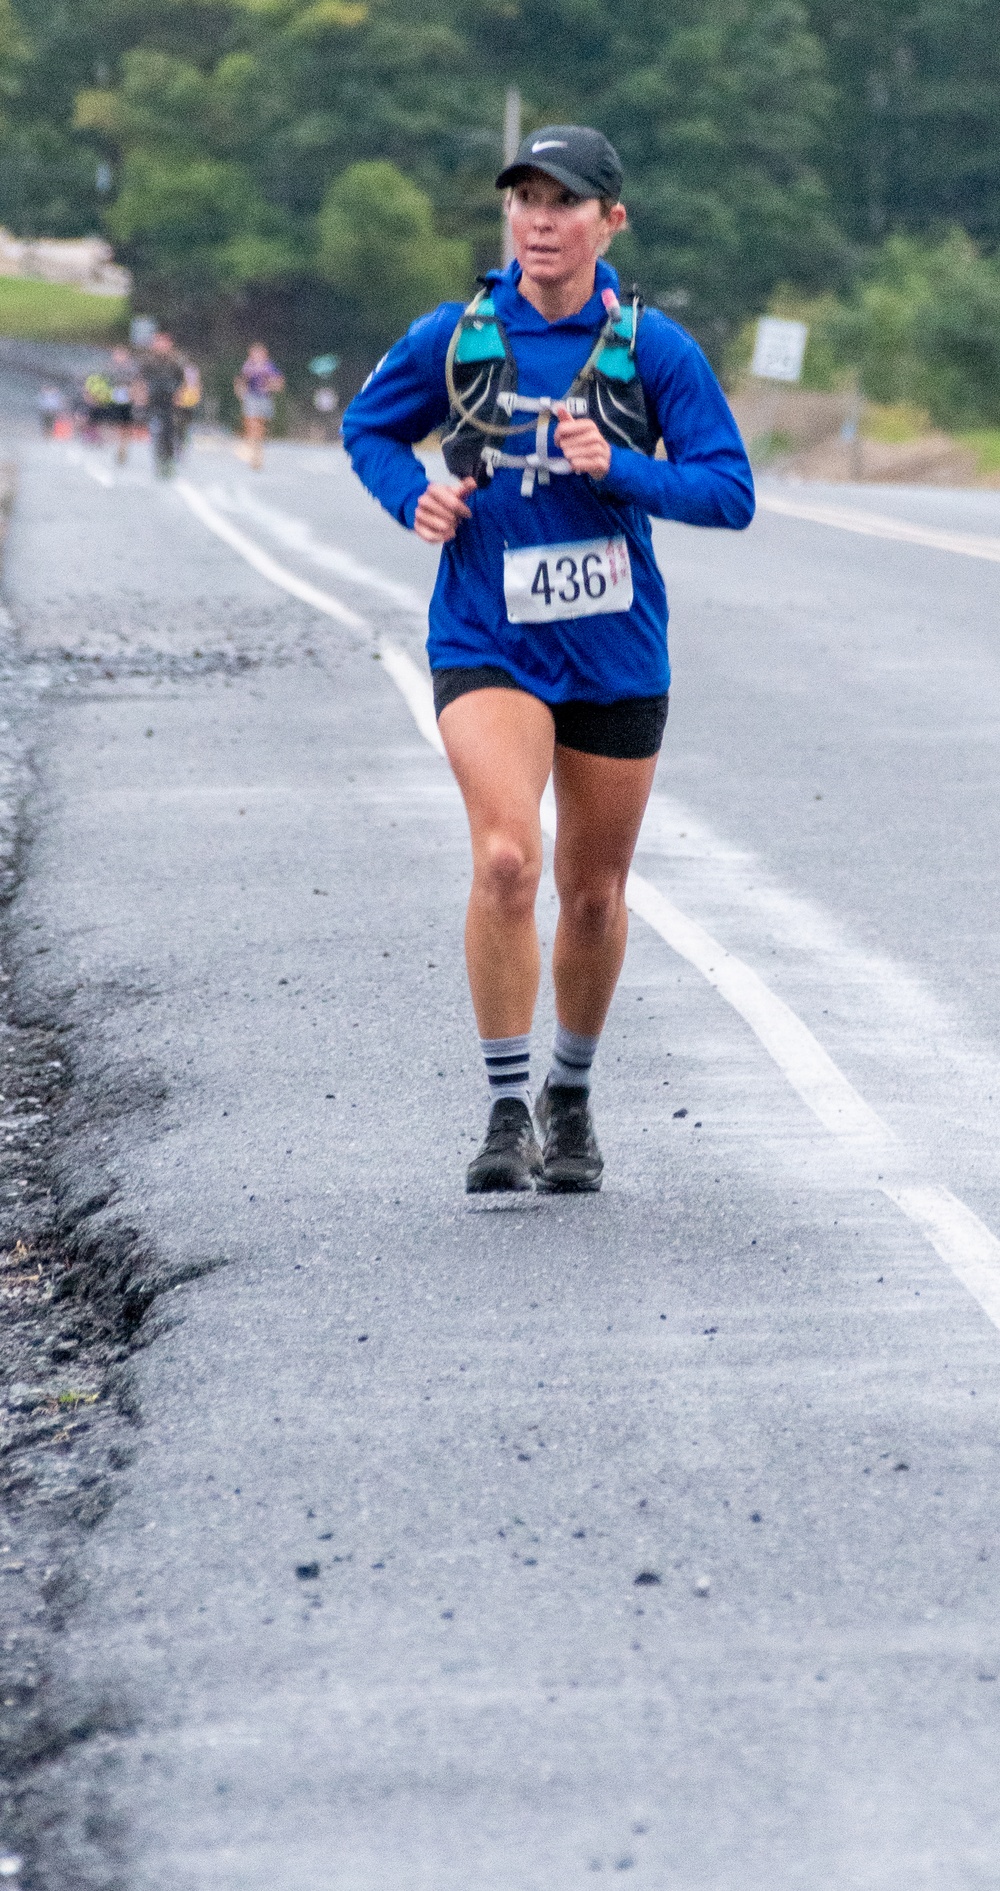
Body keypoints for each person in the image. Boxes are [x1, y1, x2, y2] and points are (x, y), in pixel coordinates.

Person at [342, 125, 754, 1194]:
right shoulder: (454, 334)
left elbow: (728, 490)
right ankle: (502, 1106)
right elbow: (368, 430)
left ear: (608, 221)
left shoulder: (654, 349)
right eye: (522, 198)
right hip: (487, 638)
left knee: (594, 892)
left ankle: (569, 1096)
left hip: (616, 650)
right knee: (506, 860)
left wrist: (620, 468)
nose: (537, 219)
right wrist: (411, 495)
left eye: (562, 201)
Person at [135, 332, 186, 477]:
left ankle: (169, 461)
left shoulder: (176, 361)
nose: (161, 346)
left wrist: (179, 397)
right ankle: (158, 460)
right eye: (158, 342)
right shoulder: (147, 361)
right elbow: (141, 381)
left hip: (170, 400)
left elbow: (182, 381)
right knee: (156, 430)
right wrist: (141, 397)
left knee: (170, 433)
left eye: (164, 342)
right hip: (153, 400)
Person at [234, 344, 284, 469]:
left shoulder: (269, 367)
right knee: (251, 422)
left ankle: (257, 446)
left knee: (261, 424)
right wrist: (240, 391)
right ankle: (253, 448)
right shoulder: (247, 366)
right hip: (251, 397)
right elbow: (240, 380)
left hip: (264, 397)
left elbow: (279, 381)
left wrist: (271, 385)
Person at [106, 346, 138, 466]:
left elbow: (136, 383)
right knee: (115, 424)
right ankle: (117, 445)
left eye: (121, 354)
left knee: (126, 425)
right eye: (116, 354)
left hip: (127, 401)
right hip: (113, 400)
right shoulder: (109, 368)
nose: (118, 357)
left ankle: (122, 446)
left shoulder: (132, 369)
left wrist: (133, 394)